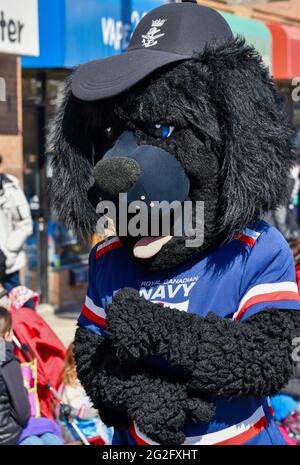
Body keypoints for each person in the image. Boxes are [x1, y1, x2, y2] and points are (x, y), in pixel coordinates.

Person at [57, 343, 113, 444]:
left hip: (92, 424)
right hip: (84, 430)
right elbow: (82, 413)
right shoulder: (71, 387)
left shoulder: (86, 379)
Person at [0, 155, 33, 291]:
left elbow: (25, 224)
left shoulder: (11, 189)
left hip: (7, 262)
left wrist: (7, 252)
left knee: (20, 304)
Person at [0, 306, 31, 445]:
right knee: (51, 432)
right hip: (7, 435)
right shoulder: (6, 360)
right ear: (7, 334)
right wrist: (23, 388)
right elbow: (23, 415)